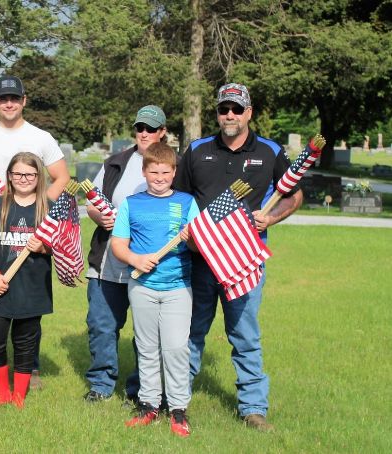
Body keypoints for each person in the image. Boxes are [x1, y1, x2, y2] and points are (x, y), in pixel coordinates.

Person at [173, 83, 303, 431]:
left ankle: (253, 408)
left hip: (244, 260)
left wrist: (272, 217)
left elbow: (295, 195)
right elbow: (181, 200)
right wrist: (187, 234)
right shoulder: (198, 150)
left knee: (244, 334)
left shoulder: (271, 151)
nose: (229, 115)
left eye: (236, 109)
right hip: (200, 259)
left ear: (249, 112)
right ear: (217, 113)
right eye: (223, 109)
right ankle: (177, 401)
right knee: (191, 331)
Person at [0, 75, 70, 389]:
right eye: (2, 98)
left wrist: (39, 209)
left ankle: (30, 367)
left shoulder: (41, 137)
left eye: (14, 98)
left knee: (28, 297)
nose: (8, 103)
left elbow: (61, 177)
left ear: (23, 100)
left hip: (31, 233)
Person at [110, 143, 199, 437]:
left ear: (174, 172)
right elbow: (119, 244)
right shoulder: (132, 204)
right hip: (142, 286)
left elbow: (201, 246)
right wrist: (136, 258)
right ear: (144, 172)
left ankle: (178, 409)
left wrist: (192, 238)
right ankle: (149, 404)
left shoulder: (187, 203)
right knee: (146, 348)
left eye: (165, 172)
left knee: (175, 347)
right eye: (153, 172)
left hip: (177, 287)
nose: (159, 177)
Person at [83, 105, 168, 403]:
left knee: (148, 331)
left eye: (151, 128)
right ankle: (101, 384)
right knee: (102, 324)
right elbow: (92, 201)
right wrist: (100, 217)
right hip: (108, 260)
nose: (144, 133)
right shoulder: (116, 162)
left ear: (163, 132)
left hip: (153, 263)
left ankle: (140, 389)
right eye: (140, 128)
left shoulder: (173, 166)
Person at [0, 152, 53, 408]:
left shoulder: (47, 208)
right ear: (9, 176)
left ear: (39, 177)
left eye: (29, 174)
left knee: (26, 341)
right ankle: (1, 392)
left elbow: (62, 247)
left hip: (32, 287)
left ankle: (19, 395)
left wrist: (42, 248)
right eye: (17, 174)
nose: (23, 179)